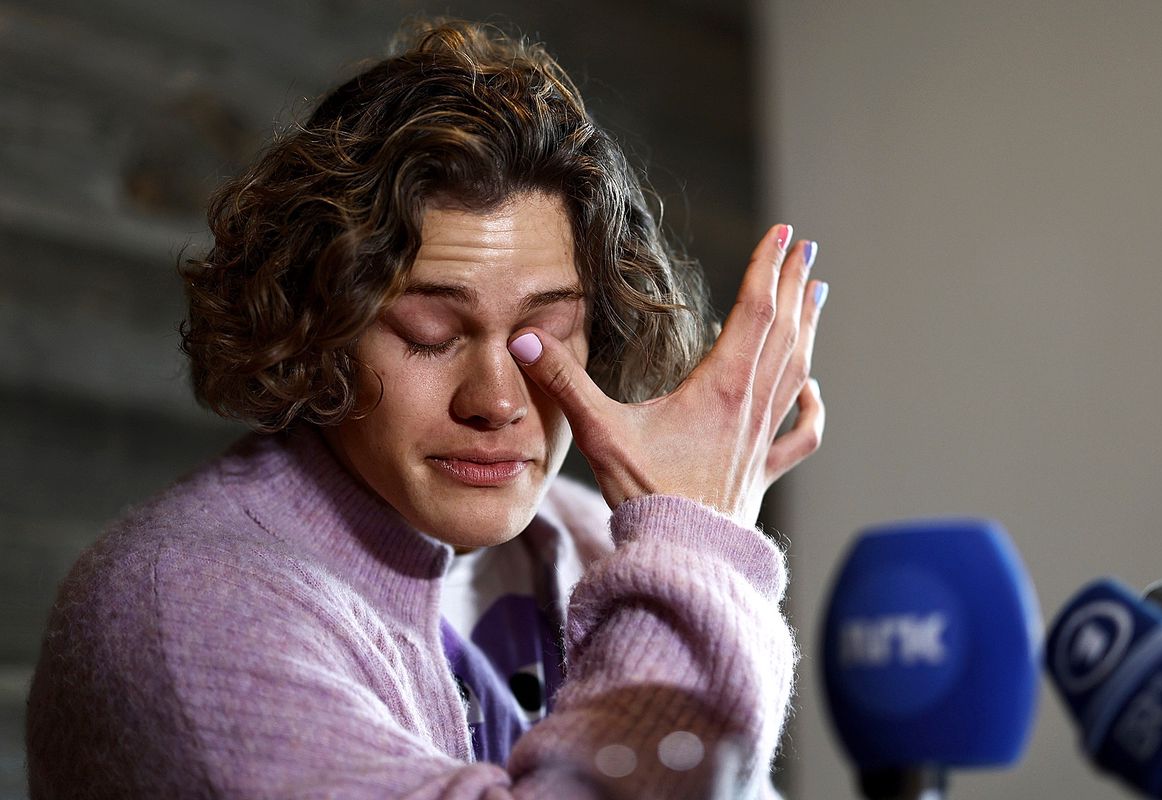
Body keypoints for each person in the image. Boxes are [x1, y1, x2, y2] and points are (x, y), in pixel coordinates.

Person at [25, 18, 828, 800]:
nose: (497, 401)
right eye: (429, 332)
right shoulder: (180, 614)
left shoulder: (601, 541)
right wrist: (695, 550)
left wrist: (684, 551)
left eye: (543, 334)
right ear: (321, 327)